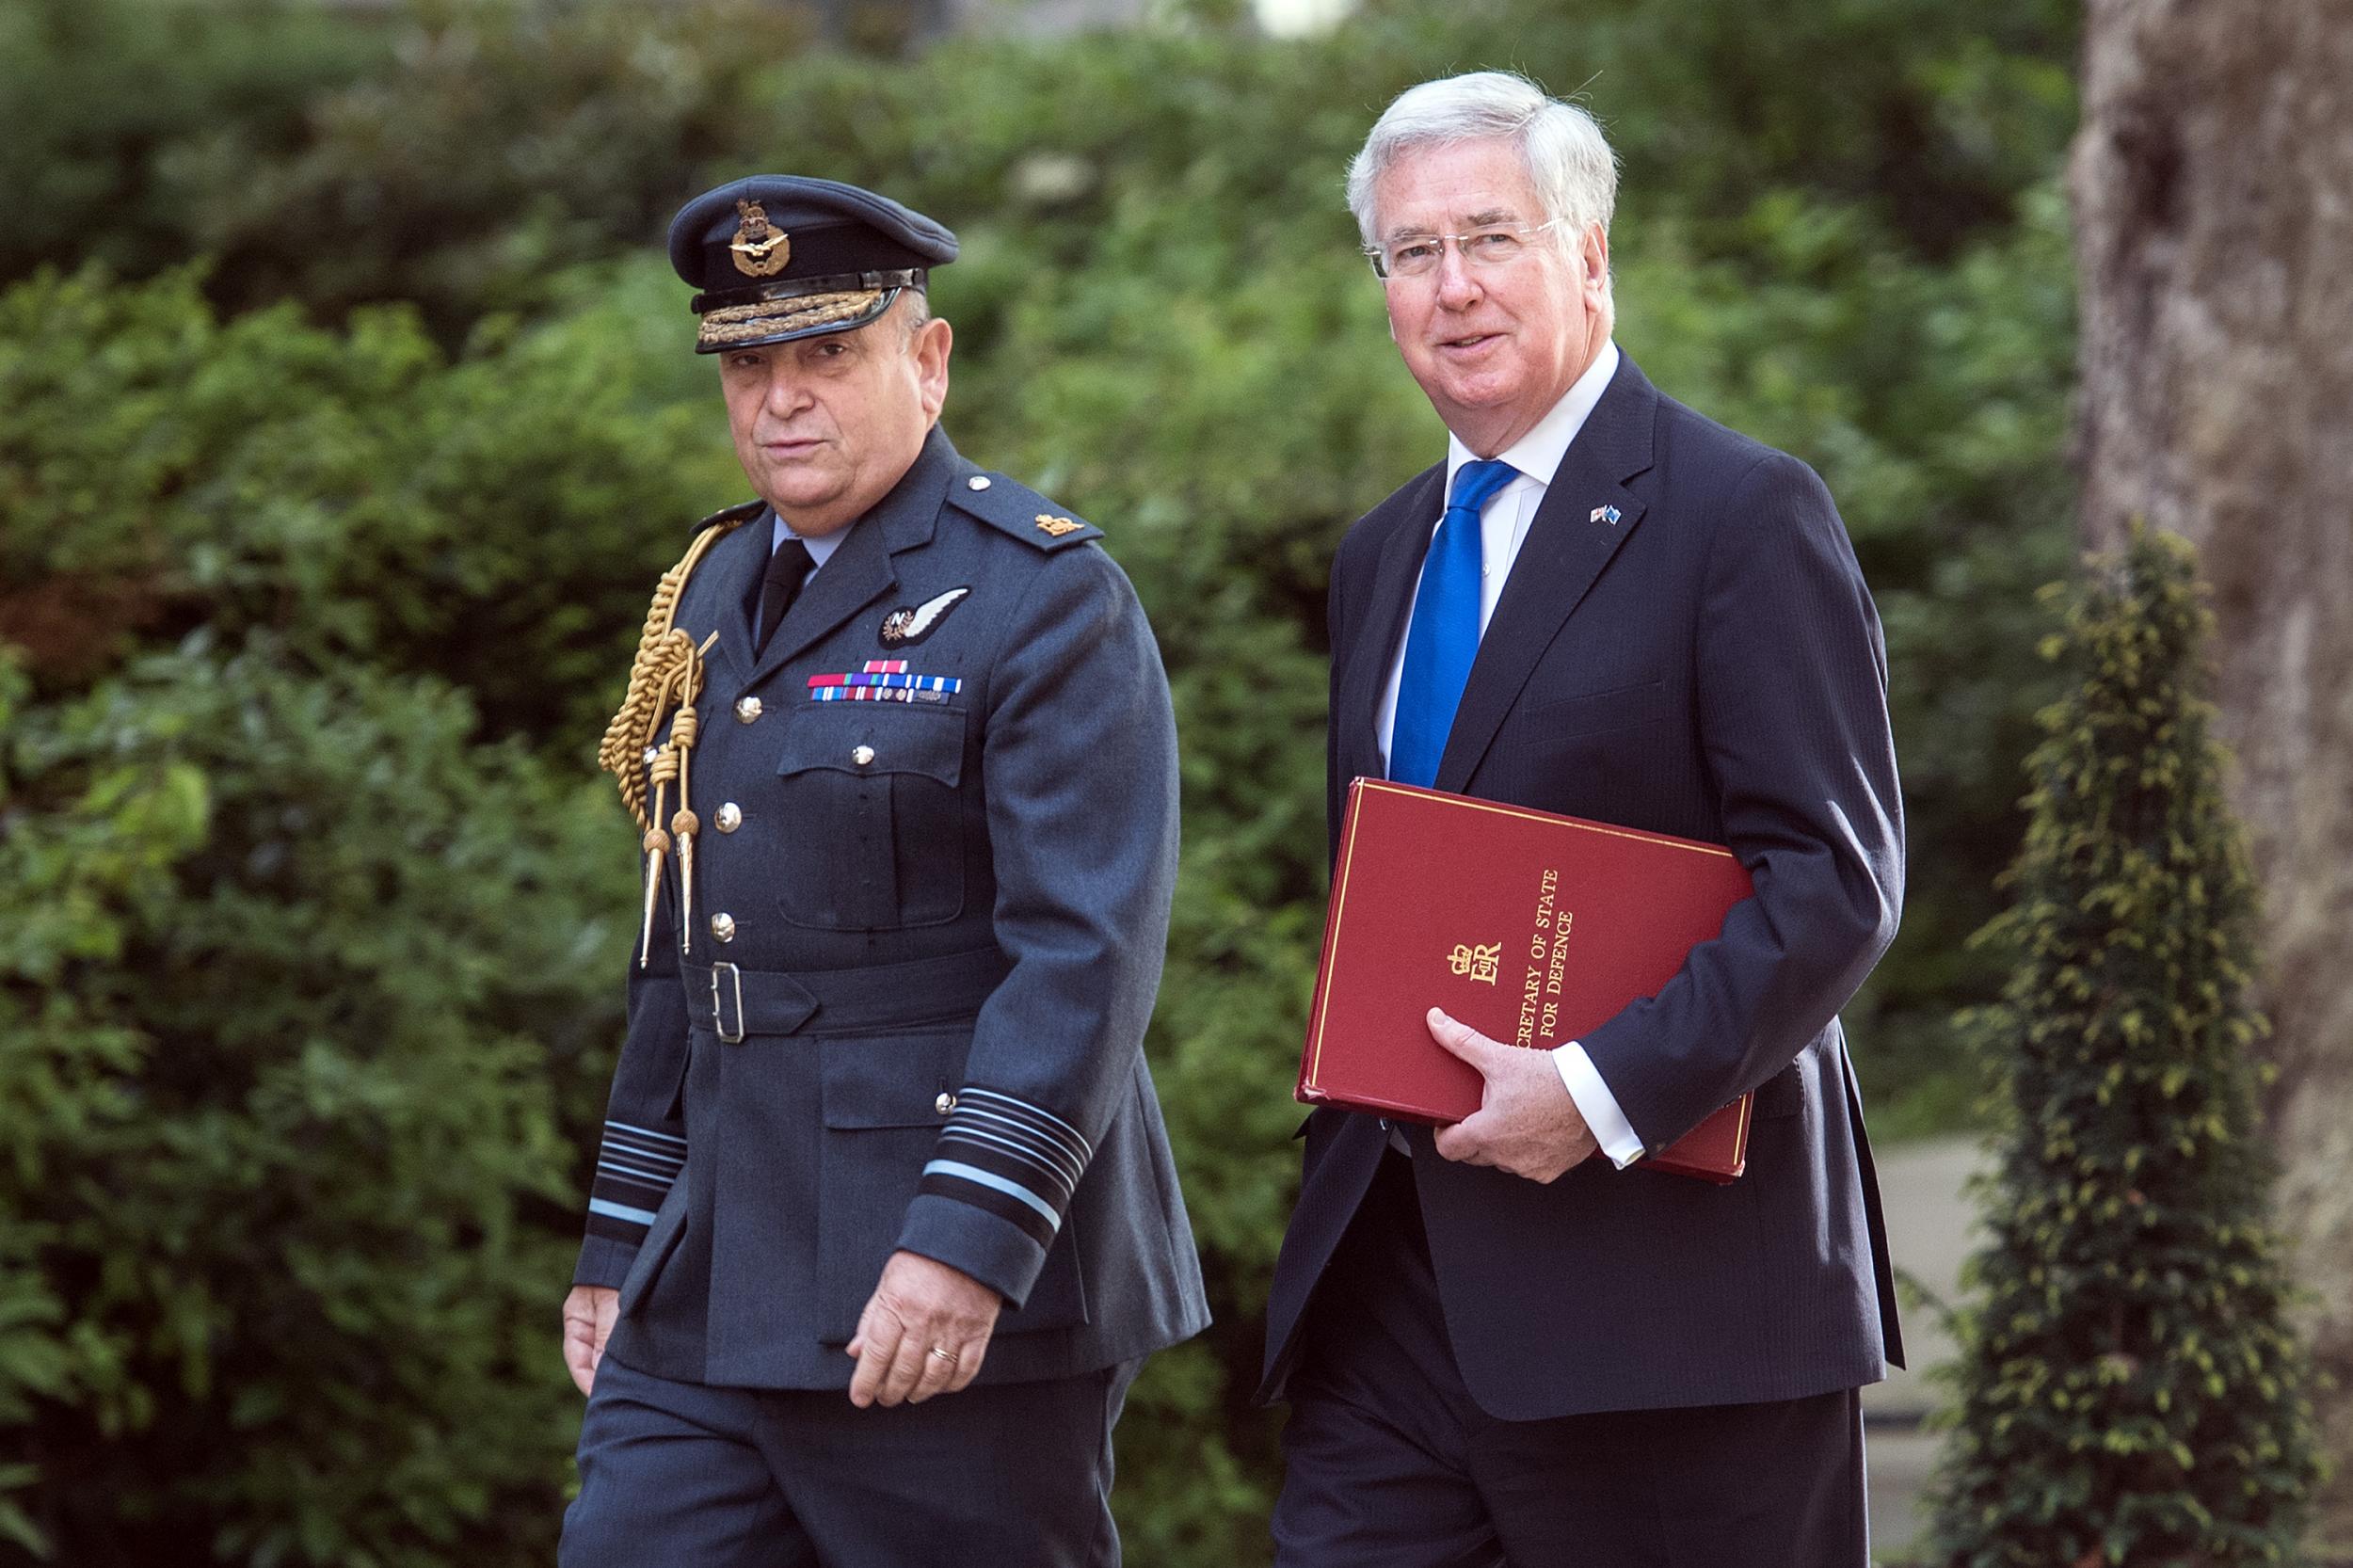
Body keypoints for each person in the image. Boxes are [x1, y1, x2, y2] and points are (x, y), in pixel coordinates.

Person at [1260, 72, 1906, 1566]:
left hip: (1669, 1311)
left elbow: (1834, 883)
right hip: (1398, 1295)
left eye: (1493, 235)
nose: (1455, 286)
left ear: (1592, 251)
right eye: (1412, 254)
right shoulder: (1380, 560)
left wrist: (1602, 1090)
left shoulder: (1744, 513)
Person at [557, 175, 1208, 1568]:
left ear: (927, 360)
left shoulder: (1044, 595)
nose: (780, 399)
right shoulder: (716, 591)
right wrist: (622, 1235)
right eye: (747, 364)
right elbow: (687, 942)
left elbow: (1085, 955)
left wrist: (969, 1236)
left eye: (825, 354)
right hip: (714, 1263)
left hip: (935, 1277)